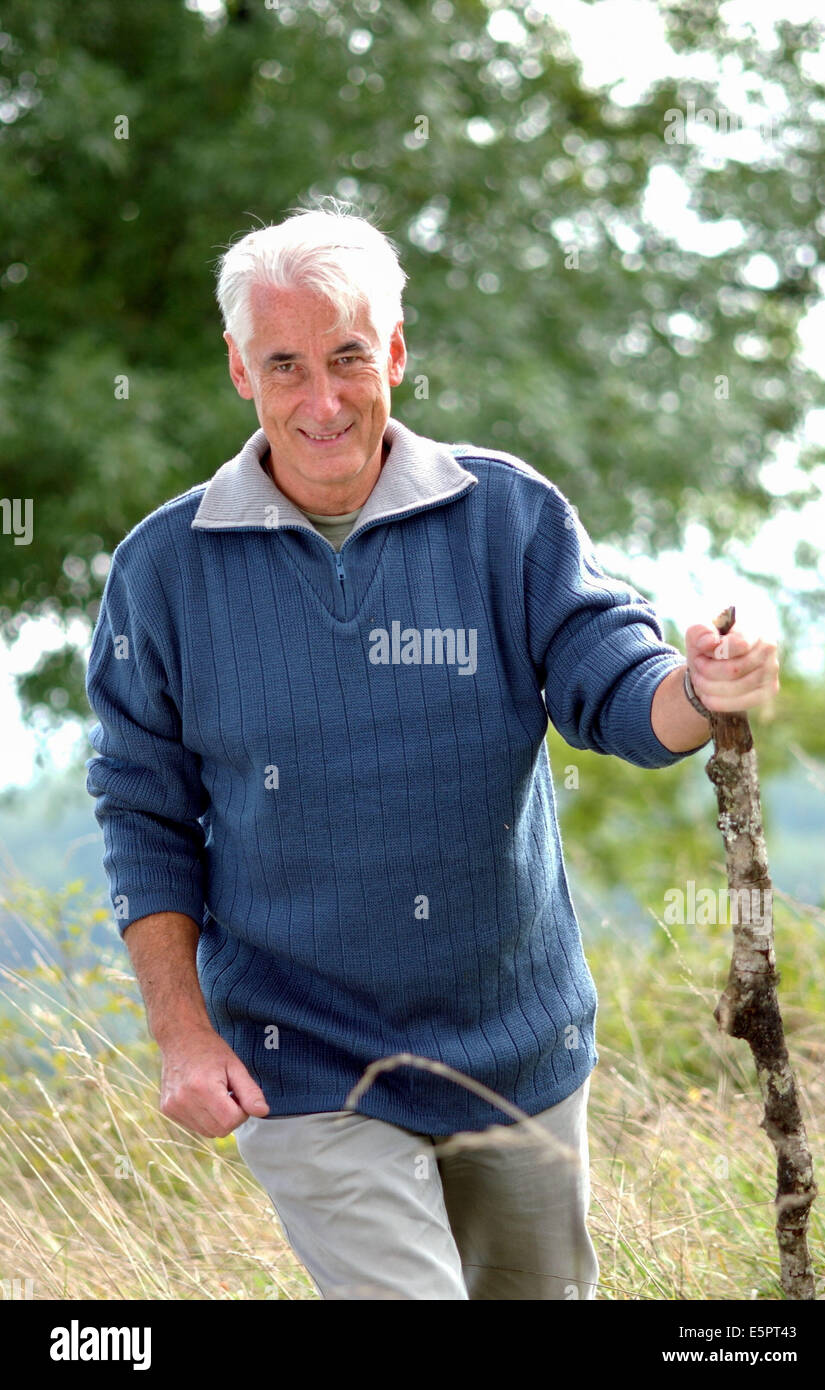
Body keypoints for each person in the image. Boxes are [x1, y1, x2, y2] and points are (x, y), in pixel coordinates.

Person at [84, 205, 780, 1301]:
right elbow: (141, 812)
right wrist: (181, 1032)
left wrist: (701, 688)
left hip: (517, 1051)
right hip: (302, 1060)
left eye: (350, 357)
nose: (322, 402)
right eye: (286, 365)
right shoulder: (162, 571)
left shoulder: (506, 515)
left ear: (395, 352)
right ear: (238, 369)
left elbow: (616, 689)